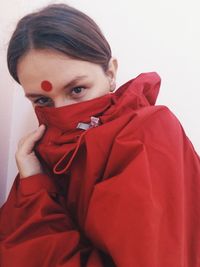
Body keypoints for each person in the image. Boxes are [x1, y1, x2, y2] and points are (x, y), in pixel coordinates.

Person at [0, 3, 200, 267]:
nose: (63, 113)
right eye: (43, 101)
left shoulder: (147, 136)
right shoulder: (46, 153)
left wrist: (36, 191)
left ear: (111, 73)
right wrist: (33, 178)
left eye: (77, 90)